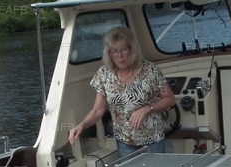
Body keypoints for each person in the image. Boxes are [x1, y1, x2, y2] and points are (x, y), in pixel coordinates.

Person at [68, 27, 176, 156]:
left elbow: (169, 99)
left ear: (132, 49)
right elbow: (97, 110)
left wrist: (147, 108)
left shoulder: (150, 71)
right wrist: (81, 126)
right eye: (114, 51)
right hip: (125, 142)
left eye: (124, 49)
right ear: (109, 53)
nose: (119, 56)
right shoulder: (104, 74)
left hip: (153, 139)